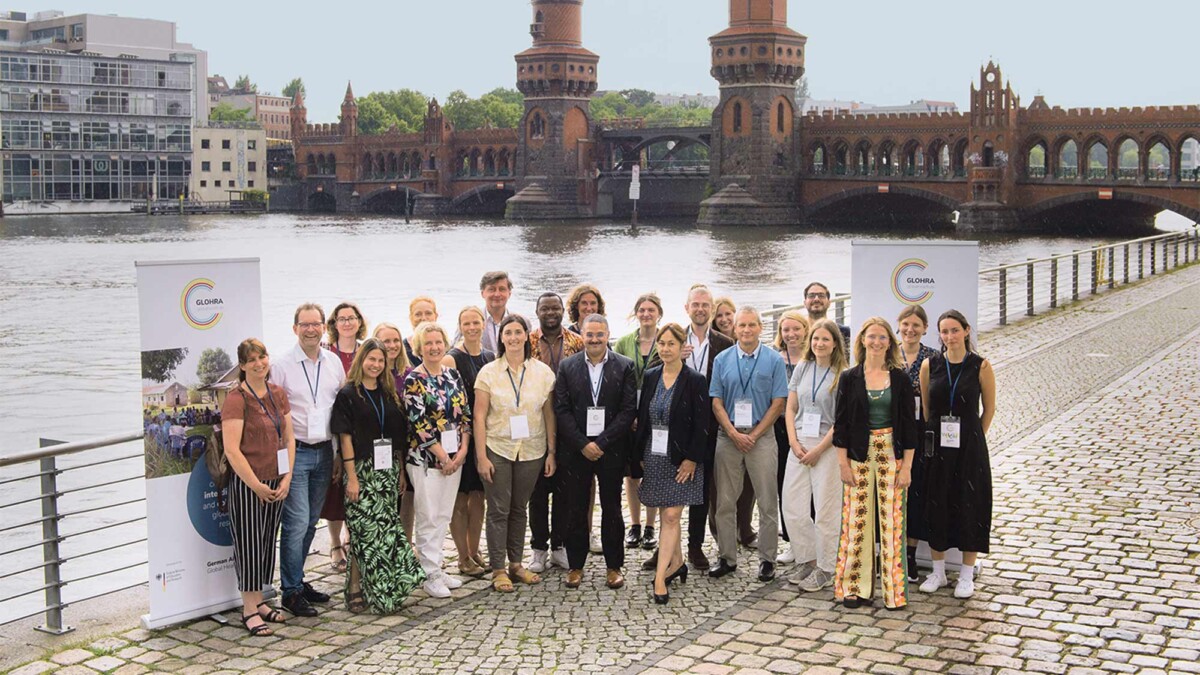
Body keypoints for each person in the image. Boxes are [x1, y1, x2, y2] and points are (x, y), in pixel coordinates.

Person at [332, 338, 425, 613]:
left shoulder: (388, 393)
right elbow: (345, 437)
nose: (375, 364)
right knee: (363, 531)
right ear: (362, 360)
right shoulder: (348, 395)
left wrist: (400, 472)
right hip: (361, 469)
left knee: (384, 531)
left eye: (380, 360)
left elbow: (397, 437)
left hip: (387, 471)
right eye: (371, 359)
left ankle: (383, 586)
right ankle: (355, 587)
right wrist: (352, 477)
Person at [832, 318, 918, 610]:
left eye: (883, 337)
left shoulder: (901, 378)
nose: (877, 342)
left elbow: (909, 426)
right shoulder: (849, 377)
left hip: (891, 453)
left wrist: (907, 466)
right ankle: (855, 588)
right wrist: (842, 463)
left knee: (892, 524)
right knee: (857, 521)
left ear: (889, 343)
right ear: (862, 340)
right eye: (872, 337)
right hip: (858, 453)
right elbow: (841, 424)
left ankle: (894, 593)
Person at [270, 303, 347, 618]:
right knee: (297, 521)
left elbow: (339, 410)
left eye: (316, 324)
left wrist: (340, 454)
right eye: (305, 325)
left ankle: (298, 581)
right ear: (295, 328)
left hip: (325, 452)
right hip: (296, 452)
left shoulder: (333, 363)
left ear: (323, 327)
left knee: (310, 522)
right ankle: (289, 591)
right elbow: (274, 415)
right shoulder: (282, 366)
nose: (311, 329)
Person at [473, 315, 558, 592]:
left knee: (520, 508)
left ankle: (516, 564)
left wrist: (551, 452)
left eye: (518, 332)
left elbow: (549, 414)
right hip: (497, 447)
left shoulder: (543, 373)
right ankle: (498, 569)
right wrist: (481, 457)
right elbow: (479, 416)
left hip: (532, 448)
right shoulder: (488, 372)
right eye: (507, 333)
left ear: (526, 336)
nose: (512, 337)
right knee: (498, 509)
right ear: (501, 338)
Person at [553, 314, 637, 589]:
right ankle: (576, 565)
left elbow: (628, 412)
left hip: (610, 449)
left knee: (612, 507)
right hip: (577, 449)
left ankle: (614, 566)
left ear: (608, 334)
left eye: (600, 334)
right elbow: (561, 410)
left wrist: (601, 443)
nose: (595, 339)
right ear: (582, 336)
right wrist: (582, 443)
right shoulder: (567, 367)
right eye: (590, 335)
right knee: (576, 508)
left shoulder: (625, 366)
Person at [918, 310, 996, 599]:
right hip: (938, 446)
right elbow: (928, 408)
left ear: (966, 331)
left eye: (954, 330)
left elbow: (989, 409)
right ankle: (938, 571)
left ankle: (965, 575)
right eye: (944, 331)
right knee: (936, 502)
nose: (949, 336)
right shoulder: (931, 365)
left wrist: (975, 438)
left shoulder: (980, 366)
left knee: (970, 505)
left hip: (970, 448)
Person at [708, 307, 789, 582]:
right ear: (735, 328)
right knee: (725, 502)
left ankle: (767, 560)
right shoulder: (722, 359)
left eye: (751, 325)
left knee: (767, 502)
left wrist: (753, 434)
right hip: (728, 437)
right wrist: (733, 432)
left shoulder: (773, 360)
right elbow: (716, 401)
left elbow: (779, 402)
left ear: (760, 327)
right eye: (741, 325)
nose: (746, 330)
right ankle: (727, 557)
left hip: (762, 437)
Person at [220, 338, 295, 636]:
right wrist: (255, 485)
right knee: (249, 545)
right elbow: (232, 450)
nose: (258, 363)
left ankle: (260, 600)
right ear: (242, 365)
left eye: (262, 357)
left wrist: (286, 476)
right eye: (251, 360)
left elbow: (289, 439)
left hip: (276, 480)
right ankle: (249, 610)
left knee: (265, 543)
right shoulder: (237, 399)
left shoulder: (277, 393)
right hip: (249, 484)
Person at [634, 323, 708, 604]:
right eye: (661, 343)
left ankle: (660, 578)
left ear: (682, 347)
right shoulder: (651, 376)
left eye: (671, 344)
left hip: (682, 459)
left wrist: (691, 459)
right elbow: (643, 420)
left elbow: (703, 424)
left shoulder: (695, 380)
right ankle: (676, 562)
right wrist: (638, 456)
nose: (665, 349)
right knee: (666, 514)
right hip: (654, 455)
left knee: (671, 516)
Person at [404, 322, 473, 598]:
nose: (433, 347)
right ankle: (429, 573)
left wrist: (463, 450)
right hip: (426, 460)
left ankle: (437, 565)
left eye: (437, 342)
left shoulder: (452, 375)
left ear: (445, 343)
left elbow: (465, 413)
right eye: (428, 343)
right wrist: (443, 457)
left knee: (444, 514)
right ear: (420, 347)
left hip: (455, 456)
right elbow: (418, 424)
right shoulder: (413, 380)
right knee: (428, 515)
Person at [782, 319, 848, 592]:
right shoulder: (802, 367)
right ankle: (807, 558)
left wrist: (819, 449)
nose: (819, 344)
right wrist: (794, 443)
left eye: (825, 339)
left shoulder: (843, 374)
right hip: (798, 444)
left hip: (827, 447)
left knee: (825, 510)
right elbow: (790, 408)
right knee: (793, 506)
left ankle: (826, 567)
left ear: (835, 344)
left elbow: (841, 420)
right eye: (816, 339)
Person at [527, 293, 583, 573]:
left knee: (565, 490)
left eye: (555, 308)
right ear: (537, 311)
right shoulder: (526, 341)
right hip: (535, 426)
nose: (551, 312)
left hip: (569, 425)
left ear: (563, 311)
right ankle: (538, 548)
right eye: (545, 308)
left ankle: (559, 546)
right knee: (537, 492)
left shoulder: (577, 342)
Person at [442, 307, 493, 578]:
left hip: (483, 436)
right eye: (466, 323)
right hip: (461, 436)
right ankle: (462, 556)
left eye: (476, 322)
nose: (472, 327)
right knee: (459, 499)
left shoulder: (489, 356)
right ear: (460, 326)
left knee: (479, 497)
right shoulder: (452, 359)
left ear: (483, 325)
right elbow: (449, 405)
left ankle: (475, 551)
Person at [612, 293, 663, 552]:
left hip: (658, 416)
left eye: (651, 310)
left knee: (652, 470)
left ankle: (651, 526)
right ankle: (634, 524)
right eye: (641, 310)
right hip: (630, 415)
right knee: (632, 474)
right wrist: (628, 415)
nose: (646, 314)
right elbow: (618, 380)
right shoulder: (622, 343)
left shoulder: (665, 341)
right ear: (636, 313)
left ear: (659, 313)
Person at [896, 305, 939, 581]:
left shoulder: (934, 357)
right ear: (898, 325)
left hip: (922, 433)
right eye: (905, 324)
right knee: (892, 493)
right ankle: (890, 551)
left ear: (925, 328)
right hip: (892, 431)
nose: (910, 329)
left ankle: (910, 556)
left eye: (916, 325)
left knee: (918, 493)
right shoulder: (888, 354)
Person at [322, 301, 366, 572]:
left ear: (359, 321)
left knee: (356, 486)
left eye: (352, 318)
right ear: (334, 324)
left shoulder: (367, 350)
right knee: (335, 490)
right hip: (334, 429)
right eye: (342, 319)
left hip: (362, 431)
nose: (347, 323)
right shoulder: (328, 353)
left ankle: (353, 538)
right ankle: (335, 542)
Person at [771, 310, 809, 564]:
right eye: (786, 330)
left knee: (811, 487)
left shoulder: (813, 358)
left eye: (796, 329)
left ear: (805, 330)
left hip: (808, 427)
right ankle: (792, 541)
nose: (791, 334)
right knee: (785, 485)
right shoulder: (774, 359)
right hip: (779, 428)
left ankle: (812, 539)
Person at [803, 282, 851, 348]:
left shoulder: (843, 332)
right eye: (811, 296)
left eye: (821, 296)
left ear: (829, 303)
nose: (816, 299)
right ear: (805, 303)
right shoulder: (797, 333)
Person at [478, 271, 513, 354]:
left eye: (502, 289)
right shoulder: (471, 321)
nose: (497, 294)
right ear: (483, 293)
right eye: (491, 289)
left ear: (509, 293)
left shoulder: (520, 322)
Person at [405, 296, 438, 367]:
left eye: (428, 313)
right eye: (418, 314)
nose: (423, 318)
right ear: (411, 318)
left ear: (436, 316)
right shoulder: (402, 349)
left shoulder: (447, 347)